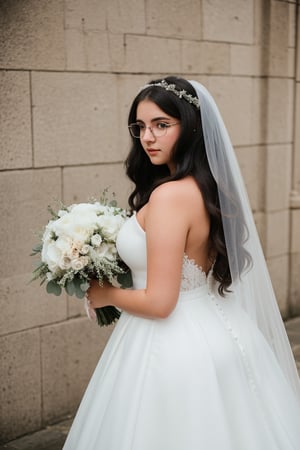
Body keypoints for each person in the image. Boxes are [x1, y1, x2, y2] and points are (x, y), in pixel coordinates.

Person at [63, 76, 300, 449]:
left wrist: (103, 293)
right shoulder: (203, 188)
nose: (148, 137)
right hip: (220, 329)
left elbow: (160, 302)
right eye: (140, 127)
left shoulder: (171, 196)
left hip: (175, 348)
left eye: (161, 125)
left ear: (190, 127)